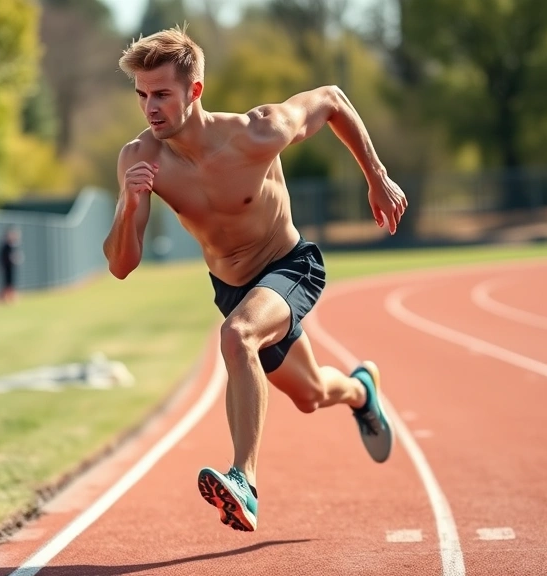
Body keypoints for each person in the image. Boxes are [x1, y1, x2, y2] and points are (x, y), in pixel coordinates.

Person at [102, 24, 408, 533]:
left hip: (289, 267)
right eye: (141, 95)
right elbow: (121, 264)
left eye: (161, 94)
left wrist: (376, 177)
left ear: (194, 91)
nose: (150, 108)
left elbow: (331, 99)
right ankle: (360, 392)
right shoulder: (140, 160)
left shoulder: (255, 132)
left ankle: (243, 479)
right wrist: (129, 204)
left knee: (237, 335)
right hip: (234, 290)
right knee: (310, 395)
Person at [0, 226, 22, 303]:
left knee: (11, 283)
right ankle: (6, 298)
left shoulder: (13, 246)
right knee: (6, 283)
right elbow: (2, 257)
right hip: (6, 267)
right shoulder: (5, 247)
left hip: (11, 267)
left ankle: (10, 297)